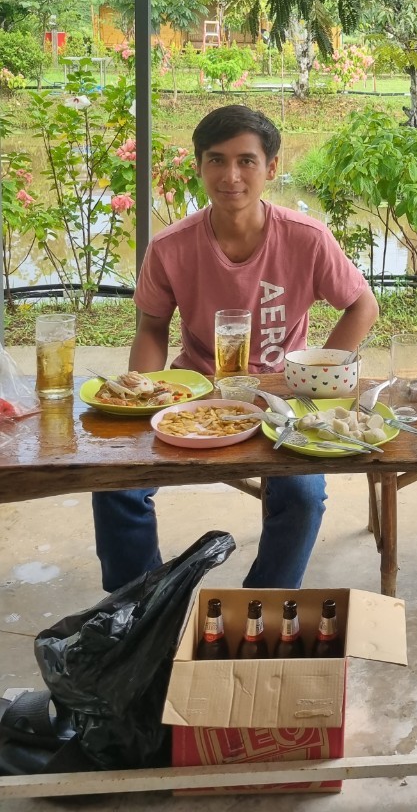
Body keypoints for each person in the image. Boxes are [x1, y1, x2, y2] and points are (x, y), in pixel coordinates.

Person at [92, 104, 378, 591]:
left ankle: (262, 602)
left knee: (304, 495)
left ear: (271, 167)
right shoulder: (170, 247)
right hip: (197, 392)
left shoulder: (307, 239)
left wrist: (314, 376)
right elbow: (152, 326)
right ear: (199, 166)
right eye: (216, 160)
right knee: (115, 482)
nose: (231, 176)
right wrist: (144, 394)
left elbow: (362, 306)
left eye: (246, 161)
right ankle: (140, 603)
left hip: (280, 398)